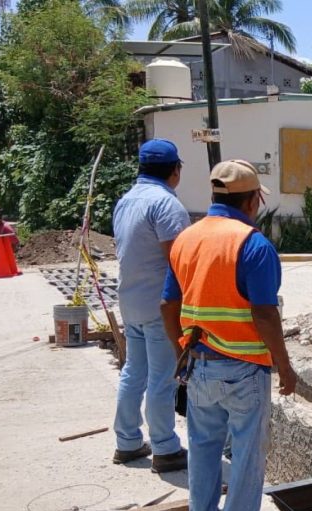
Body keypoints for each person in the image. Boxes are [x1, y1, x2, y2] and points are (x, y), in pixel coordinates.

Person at [161, 159, 297, 511]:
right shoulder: (252, 244)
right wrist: (284, 366)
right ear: (253, 200)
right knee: (247, 452)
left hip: (199, 364)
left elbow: (168, 305)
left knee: (203, 447)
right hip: (244, 368)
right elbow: (265, 313)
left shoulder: (186, 239)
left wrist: (180, 352)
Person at [111, 139, 190, 473]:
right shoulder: (166, 205)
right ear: (175, 170)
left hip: (131, 300)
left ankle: (127, 441)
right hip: (160, 304)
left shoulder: (126, 201)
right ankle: (165, 447)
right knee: (162, 377)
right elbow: (180, 260)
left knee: (135, 371)